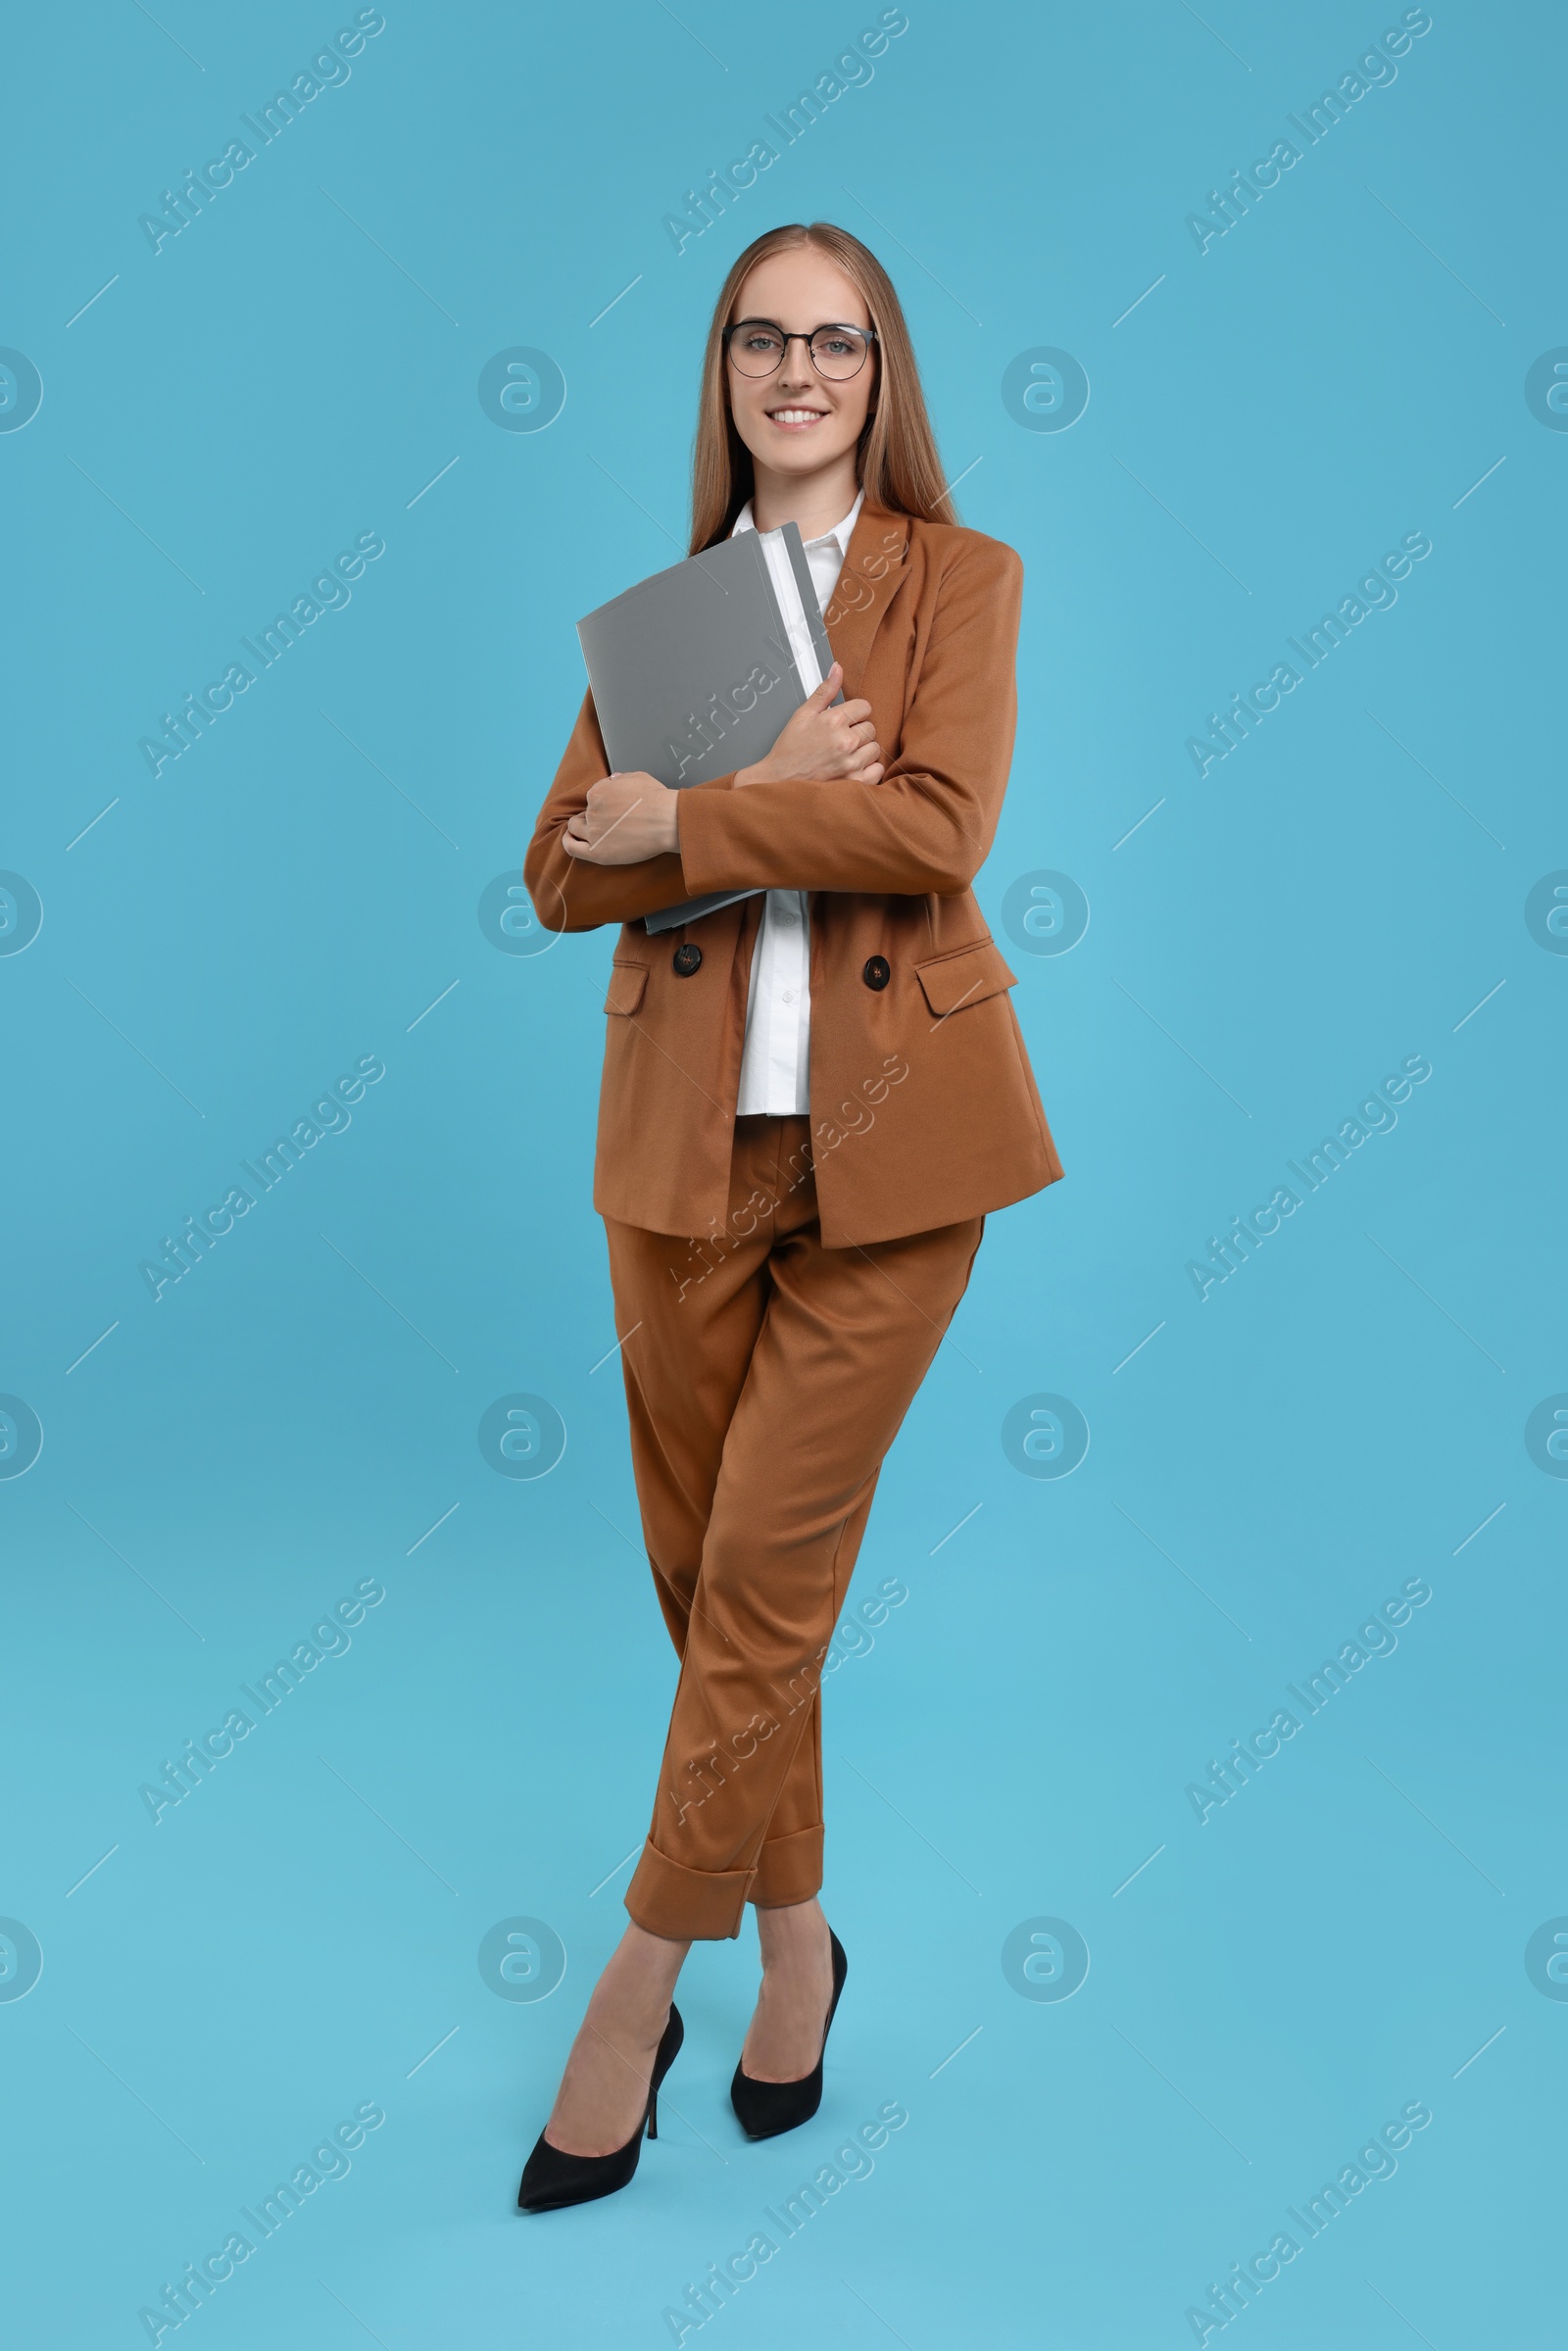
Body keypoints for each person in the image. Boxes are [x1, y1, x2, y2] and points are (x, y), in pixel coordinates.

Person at [516, 220, 1063, 2212]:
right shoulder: (678, 621)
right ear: (724, 370)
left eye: (836, 340)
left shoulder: (959, 582)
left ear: (881, 370)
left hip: (899, 1158)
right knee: (717, 1597)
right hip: (677, 1159)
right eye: (763, 337)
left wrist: (695, 820)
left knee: (757, 1583)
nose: (798, 369)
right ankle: (804, 1944)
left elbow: (930, 830)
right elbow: (559, 875)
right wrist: (743, 778)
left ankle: (633, 1985)